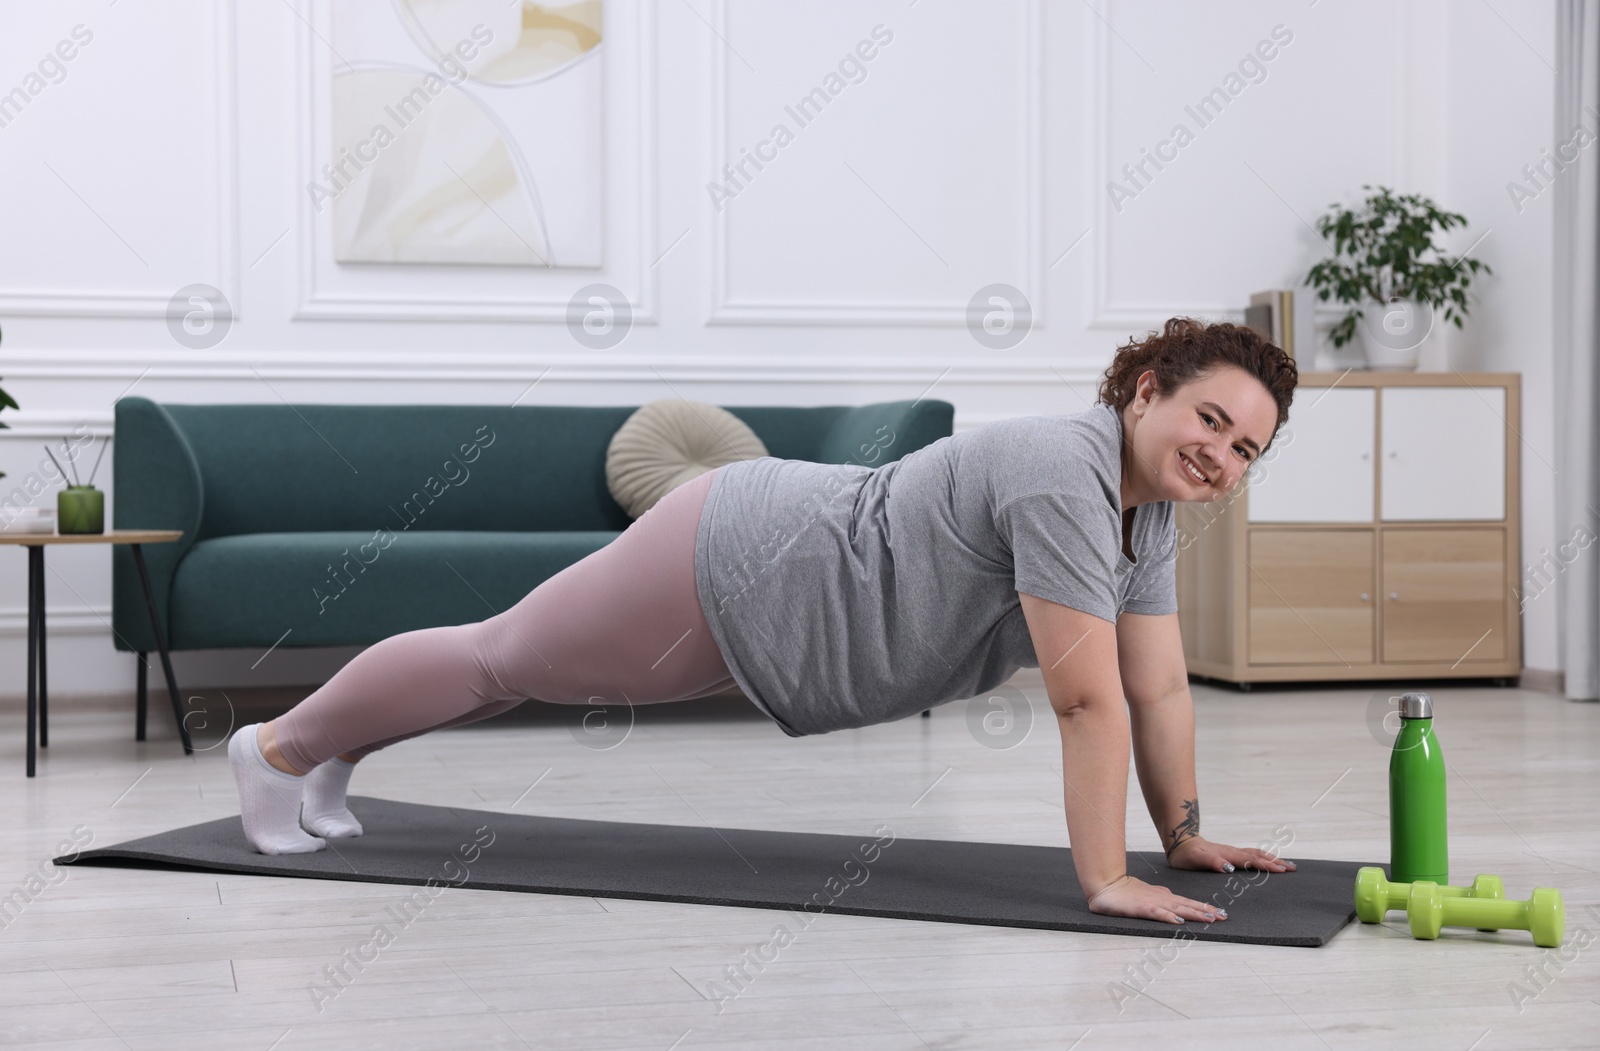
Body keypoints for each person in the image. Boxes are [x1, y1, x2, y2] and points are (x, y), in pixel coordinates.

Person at [229, 315, 1299, 927]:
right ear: (1147, 389)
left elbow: (1155, 683)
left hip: (784, 613)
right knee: (500, 657)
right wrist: (1105, 878)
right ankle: (278, 748)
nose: (1220, 455)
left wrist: (1183, 832)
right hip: (741, 561)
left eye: (1246, 449)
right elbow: (1085, 694)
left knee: (503, 662)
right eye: (1211, 419)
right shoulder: (1064, 469)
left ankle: (330, 754)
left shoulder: (1142, 512)